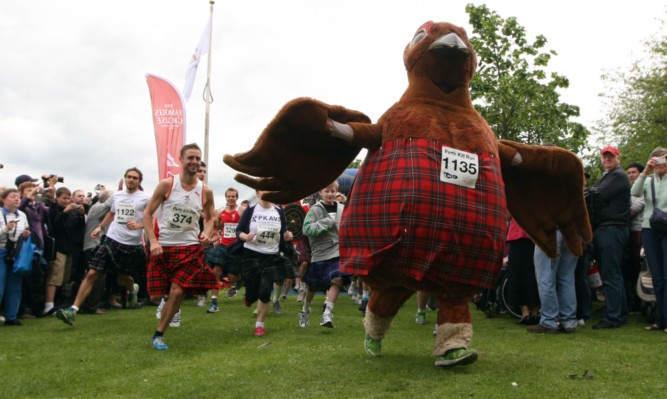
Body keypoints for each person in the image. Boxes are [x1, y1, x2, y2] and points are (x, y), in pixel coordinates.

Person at [143, 144, 219, 350]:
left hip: (189, 248)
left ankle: (158, 335)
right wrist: (154, 241)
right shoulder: (167, 185)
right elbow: (147, 215)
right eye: (190, 158)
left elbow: (211, 217)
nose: (194, 162)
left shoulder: (205, 190)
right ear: (181, 159)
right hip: (164, 247)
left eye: (198, 158)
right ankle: (167, 303)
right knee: (156, 295)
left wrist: (206, 232)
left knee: (178, 291)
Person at [56, 168, 150, 326]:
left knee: (122, 279)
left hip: (131, 244)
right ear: (125, 178)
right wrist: (100, 227)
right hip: (111, 240)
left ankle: (132, 289)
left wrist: (139, 224)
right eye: (128, 177)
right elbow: (112, 214)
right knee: (92, 273)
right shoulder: (117, 196)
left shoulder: (145, 198)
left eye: (134, 178)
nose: (131, 180)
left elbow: (152, 218)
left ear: (139, 181)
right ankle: (73, 310)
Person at [228, 190, 295, 336]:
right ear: (258, 193)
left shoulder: (279, 210)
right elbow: (239, 230)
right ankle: (249, 297)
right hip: (251, 254)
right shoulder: (251, 209)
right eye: (265, 189)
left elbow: (283, 232)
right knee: (252, 292)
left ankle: (260, 325)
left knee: (265, 290)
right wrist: (245, 236)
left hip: (271, 255)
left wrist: (287, 236)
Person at [299, 181, 348, 328]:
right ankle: (305, 311)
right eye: (327, 191)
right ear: (321, 192)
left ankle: (327, 312)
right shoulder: (315, 209)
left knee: (337, 279)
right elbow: (306, 230)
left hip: (337, 251)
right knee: (313, 287)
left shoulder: (342, 208)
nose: (330, 194)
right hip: (320, 253)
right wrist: (326, 222)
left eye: (333, 191)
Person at [592, 146, 631, 329]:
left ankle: (613, 316)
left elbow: (596, 196)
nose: (607, 159)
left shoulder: (618, 176)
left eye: (611, 156)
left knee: (611, 274)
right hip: (607, 229)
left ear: (618, 158)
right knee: (613, 273)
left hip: (612, 229)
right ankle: (619, 314)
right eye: (604, 156)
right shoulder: (608, 177)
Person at [631, 147, 667, 333]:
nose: (659, 164)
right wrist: (645, 171)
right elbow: (634, 192)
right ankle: (660, 320)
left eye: (662, 160)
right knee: (657, 278)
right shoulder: (648, 181)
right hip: (649, 229)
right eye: (655, 160)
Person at [43, 187, 86, 316]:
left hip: (70, 248)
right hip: (58, 248)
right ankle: (48, 305)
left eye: (68, 198)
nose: (66, 201)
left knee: (65, 278)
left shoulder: (73, 212)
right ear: (57, 198)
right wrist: (65, 212)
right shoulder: (54, 210)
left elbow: (78, 229)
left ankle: (59, 303)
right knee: (54, 277)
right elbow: (55, 226)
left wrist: (80, 215)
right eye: (63, 198)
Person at [528, 230, 578, 334]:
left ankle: (549, 321)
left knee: (545, 277)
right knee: (567, 278)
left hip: (550, 229)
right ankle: (568, 322)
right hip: (573, 230)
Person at [204, 187, 246, 312]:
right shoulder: (220, 212)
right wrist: (211, 236)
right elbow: (215, 226)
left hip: (237, 247)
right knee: (216, 270)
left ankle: (239, 279)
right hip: (223, 246)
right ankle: (214, 302)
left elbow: (247, 225)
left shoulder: (241, 210)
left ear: (236, 198)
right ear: (226, 197)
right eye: (229, 196)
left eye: (233, 196)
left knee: (231, 277)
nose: (231, 198)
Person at [0, 188, 31, 325]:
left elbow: (26, 229)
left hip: (16, 253)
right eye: (13, 197)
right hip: (1, 250)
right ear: (3, 199)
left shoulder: (22, 215)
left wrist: (25, 234)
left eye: (18, 197)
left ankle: (11, 316)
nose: (17, 199)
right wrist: (5, 230)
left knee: (15, 285)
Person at [505, 218, 540, 325]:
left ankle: (525, 313)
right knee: (536, 274)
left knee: (518, 274)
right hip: (537, 234)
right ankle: (535, 313)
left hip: (519, 233)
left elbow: (507, 215)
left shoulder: (515, 200)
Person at [624, 162, 645, 312]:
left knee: (640, 265)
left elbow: (633, 211)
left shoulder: (643, 189)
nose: (631, 175)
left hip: (639, 230)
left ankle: (641, 301)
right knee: (631, 267)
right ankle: (633, 301)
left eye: (634, 172)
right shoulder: (631, 190)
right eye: (629, 172)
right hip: (629, 231)